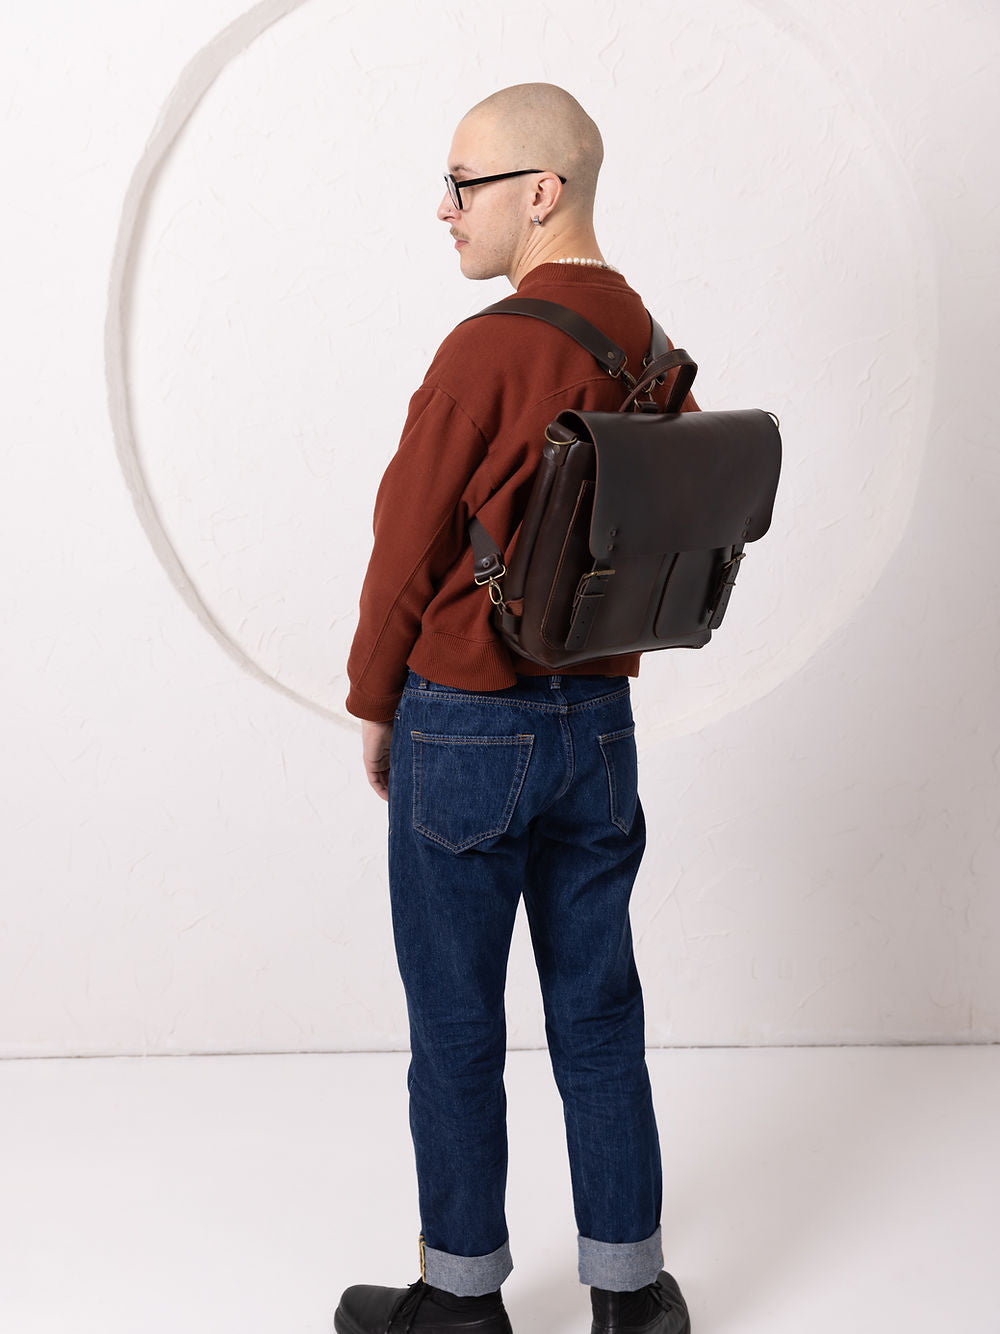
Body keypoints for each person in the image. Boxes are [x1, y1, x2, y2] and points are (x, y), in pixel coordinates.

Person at [337, 83, 696, 1334]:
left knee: (455, 1024)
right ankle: (631, 1296)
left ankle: (461, 1301)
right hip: (596, 721)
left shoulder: (483, 350)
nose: (444, 208)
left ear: (541, 192)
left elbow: (405, 544)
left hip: (467, 722)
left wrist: (374, 695)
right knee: (598, 1011)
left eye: (462, 182)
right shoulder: (647, 340)